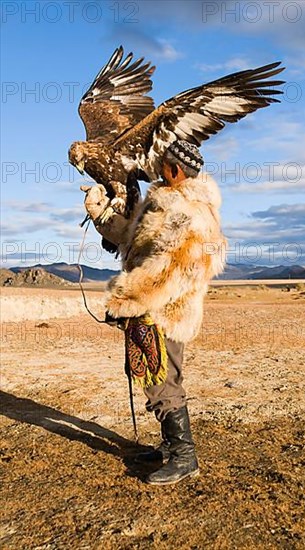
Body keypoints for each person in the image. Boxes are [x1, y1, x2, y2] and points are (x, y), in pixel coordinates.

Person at [81, 140, 226, 485]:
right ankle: (169, 445)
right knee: (153, 374)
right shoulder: (162, 201)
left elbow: (168, 271)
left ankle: (184, 456)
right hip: (151, 308)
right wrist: (102, 215)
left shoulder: (188, 213)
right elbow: (132, 242)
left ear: (175, 170)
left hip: (167, 310)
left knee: (163, 379)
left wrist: (127, 299)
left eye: (161, 162)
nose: (154, 166)